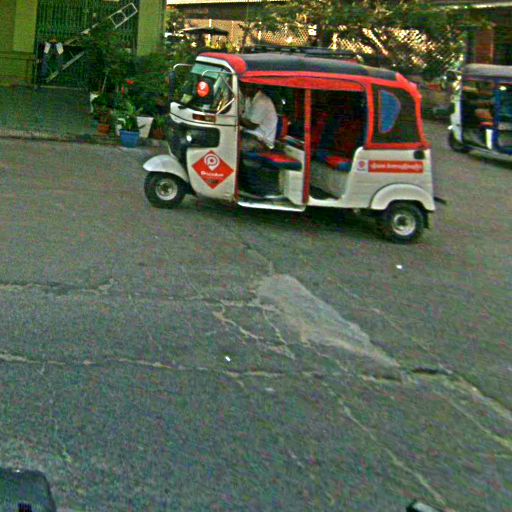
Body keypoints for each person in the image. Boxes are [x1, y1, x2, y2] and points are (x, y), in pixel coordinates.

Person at [240, 84, 278, 151]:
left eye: (246, 87)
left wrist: (237, 119)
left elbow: (252, 125)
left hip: (262, 140)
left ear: (254, 88)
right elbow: (245, 118)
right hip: (250, 135)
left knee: (233, 147)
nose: (242, 90)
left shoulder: (262, 102)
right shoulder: (249, 99)